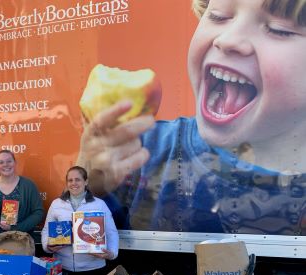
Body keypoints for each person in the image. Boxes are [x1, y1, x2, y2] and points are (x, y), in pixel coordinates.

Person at [77, 0, 306, 235]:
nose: (227, 40)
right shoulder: (140, 151)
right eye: (217, 15)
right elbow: (78, 246)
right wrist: (89, 186)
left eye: (279, 29)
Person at [41, 166, 119, 275]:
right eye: (70, 180)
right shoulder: (56, 204)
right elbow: (46, 230)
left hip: (93, 268)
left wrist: (111, 254)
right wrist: (48, 246)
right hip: (62, 268)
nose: (74, 183)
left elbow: (111, 232)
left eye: (78, 179)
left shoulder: (99, 204)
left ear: (86, 182)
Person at [0, 150, 44, 239]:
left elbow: (38, 213)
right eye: (1, 162)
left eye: (9, 161)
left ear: (15, 163)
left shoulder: (28, 185)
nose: (6, 165)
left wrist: (15, 228)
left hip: (21, 242)